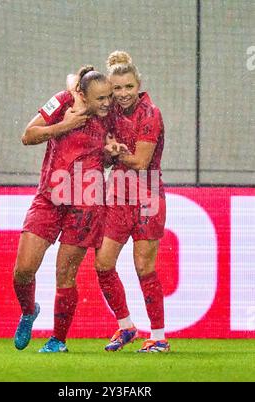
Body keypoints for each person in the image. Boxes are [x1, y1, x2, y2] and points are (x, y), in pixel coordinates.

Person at [13, 66, 124, 353]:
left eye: (108, 97)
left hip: (86, 203)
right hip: (49, 198)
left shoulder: (111, 116)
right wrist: (65, 126)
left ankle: (58, 341)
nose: (106, 103)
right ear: (82, 95)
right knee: (23, 271)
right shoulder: (63, 102)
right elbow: (28, 135)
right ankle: (28, 311)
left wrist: (111, 156)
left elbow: (105, 156)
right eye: (99, 98)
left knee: (65, 275)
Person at [94, 51, 170, 353]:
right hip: (117, 198)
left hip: (147, 198)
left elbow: (140, 161)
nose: (123, 94)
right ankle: (126, 327)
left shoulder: (150, 113)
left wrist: (116, 151)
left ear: (138, 85)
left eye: (128, 87)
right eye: (116, 89)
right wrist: (107, 152)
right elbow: (103, 159)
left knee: (144, 268)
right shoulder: (108, 115)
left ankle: (160, 337)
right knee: (103, 265)